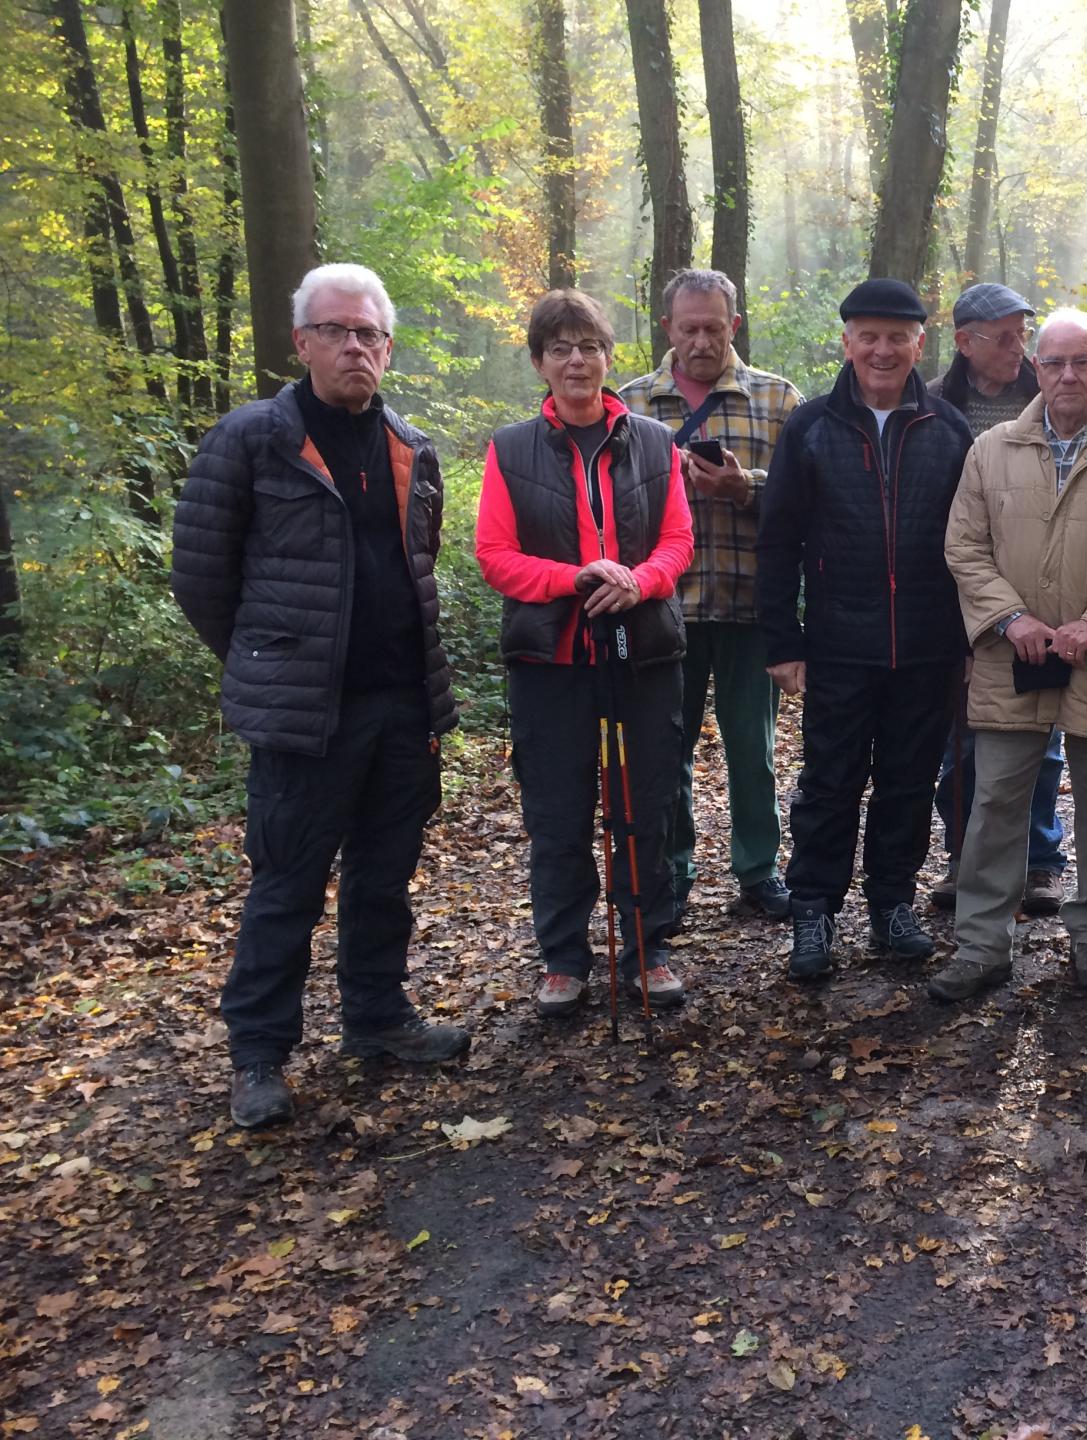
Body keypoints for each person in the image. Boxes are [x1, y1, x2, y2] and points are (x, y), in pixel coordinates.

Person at [171, 262, 467, 1129]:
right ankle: (259, 1055)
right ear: (301, 342)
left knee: (384, 878)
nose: (353, 347)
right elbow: (200, 577)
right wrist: (266, 661)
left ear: (388, 347)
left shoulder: (411, 447)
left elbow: (416, 571)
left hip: (402, 707)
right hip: (307, 717)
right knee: (288, 884)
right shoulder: (253, 439)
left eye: (369, 333)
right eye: (335, 331)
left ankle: (378, 1021)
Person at [930, 308, 1087, 1001]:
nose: (1067, 375)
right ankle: (983, 942)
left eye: (1082, 361)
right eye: (1053, 362)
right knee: (996, 801)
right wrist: (1010, 619)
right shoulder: (991, 451)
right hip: (1011, 656)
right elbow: (965, 547)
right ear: (1034, 368)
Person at [475, 289, 693, 1020]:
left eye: (591, 346)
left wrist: (638, 580)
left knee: (646, 806)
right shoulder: (510, 449)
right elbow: (495, 556)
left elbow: (677, 541)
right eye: (561, 348)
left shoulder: (655, 443)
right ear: (539, 362)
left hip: (644, 655)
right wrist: (573, 579)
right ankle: (564, 959)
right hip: (551, 661)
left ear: (609, 357)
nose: (578, 360)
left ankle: (646, 947)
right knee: (560, 813)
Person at [756, 279, 974, 980]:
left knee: (909, 782)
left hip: (927, 646)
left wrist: (968, 641)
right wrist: (783, 642)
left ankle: (891, 904)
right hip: (837, 647)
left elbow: (974, 545)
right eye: (869, 336)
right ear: (847, 343)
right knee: (829, 782)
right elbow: (777, 539)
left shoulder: (948, 429)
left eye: (897, 336)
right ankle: (814, 910)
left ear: (919, 342)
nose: (883, 350)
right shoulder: (812, 427)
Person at [618, 269, 801, 927]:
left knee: (753, 751)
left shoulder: (779, 401)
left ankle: (758, 871)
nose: (700, 340)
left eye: (713, 328)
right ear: (667, 328)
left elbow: (809, 498)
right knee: (666, 749)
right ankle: (670, 873)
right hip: (663, 609)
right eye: (688, 328)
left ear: (735, 327)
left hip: (752, 606)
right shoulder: (630, 404)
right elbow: (606, 508)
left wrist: (742, 486)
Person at [925, 283, 1068, 916]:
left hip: (1039, 591)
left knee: (1041, 731)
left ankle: (1038, 861)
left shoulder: (1047, 399)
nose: (1020, 348)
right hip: (953, 596)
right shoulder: (931, 405)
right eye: (1004, 336)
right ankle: (968, 858)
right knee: (962, 737)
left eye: (1022, 334)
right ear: (964, 342)